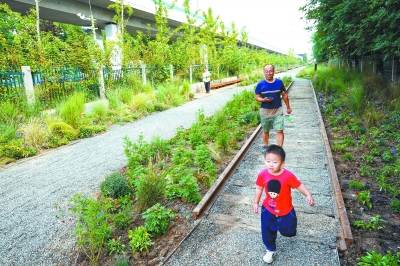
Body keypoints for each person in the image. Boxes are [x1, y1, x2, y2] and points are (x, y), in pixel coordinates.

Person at [253, 145, 315, 264]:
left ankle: (287, 229)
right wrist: (256, 202)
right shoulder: (262, 174)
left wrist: (308, 194)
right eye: (268, 161)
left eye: (275, 162)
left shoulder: (288, 176)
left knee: (288, 231)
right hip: (268, 209)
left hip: (286, 210)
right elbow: (259, 188)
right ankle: (270, 249)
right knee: (267, 230)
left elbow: (298, 185)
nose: (271, 165)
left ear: (282, 163)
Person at [255, 64, 291, 154]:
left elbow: (285, 95)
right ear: (264, 72)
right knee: (266, 130)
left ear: (274, 71)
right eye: (266, 71)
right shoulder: (260, 84)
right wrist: (263, 100)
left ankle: (279, 149)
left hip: (277, 110)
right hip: (265, 111)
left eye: (270, 71)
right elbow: (257, 97)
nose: (268, 73)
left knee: (279, 130)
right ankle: (266, 146)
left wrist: (288, 107)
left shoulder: (279, 82)